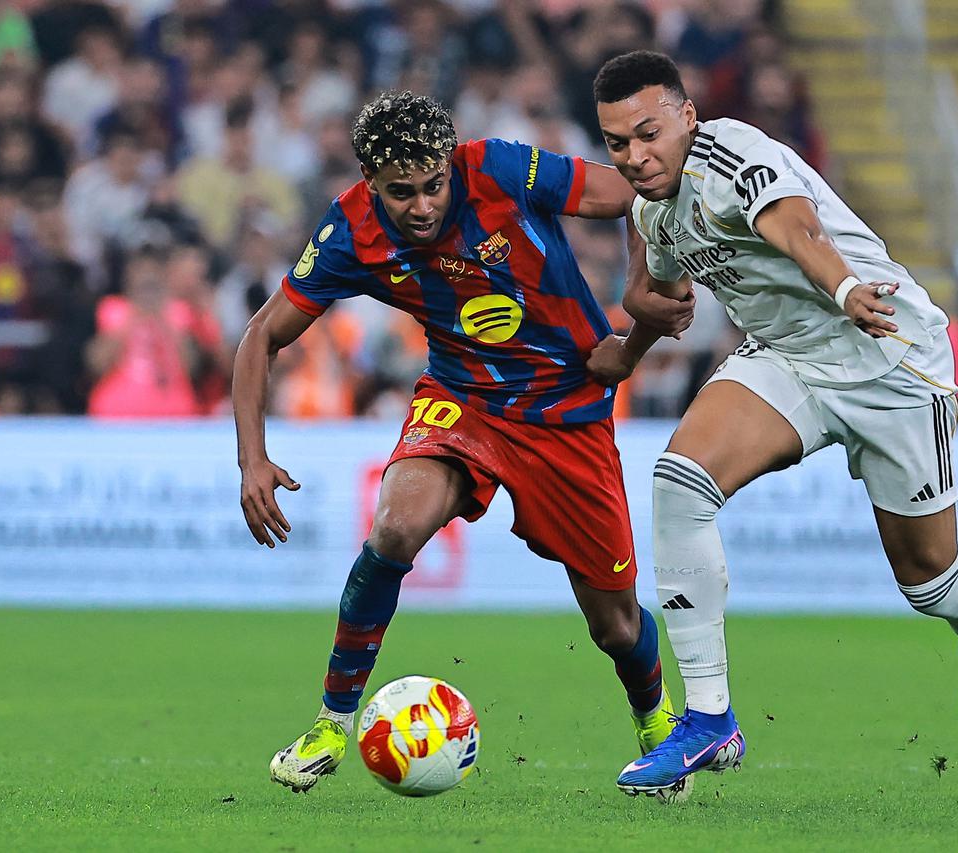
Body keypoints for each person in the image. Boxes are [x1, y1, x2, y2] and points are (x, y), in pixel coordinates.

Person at [586, 51, 958, 800]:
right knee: (679, 482)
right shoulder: (653, 207)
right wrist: (626, 352)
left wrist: (845, 286)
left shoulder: (734, 153)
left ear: (687, 116)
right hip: (789, 360)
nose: (634, 155)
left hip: (888, 356)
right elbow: (664, 289)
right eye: (618, 143)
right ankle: (710, 717)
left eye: (648, 133)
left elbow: (795, 228)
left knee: (929, 582)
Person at [233, 91, 694, 793]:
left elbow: (636, 193)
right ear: (368, 182)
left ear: (451, 165)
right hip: (462, 398)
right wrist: (253, 459)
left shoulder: (502, 171)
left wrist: (632, 324)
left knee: (615, 624)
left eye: (432, 186)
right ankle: (333, 719)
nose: (420, 206)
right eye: (400, 192)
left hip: (566, 407)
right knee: (395, 527)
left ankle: (655, 719)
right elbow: (261, 334)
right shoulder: (351, 231)